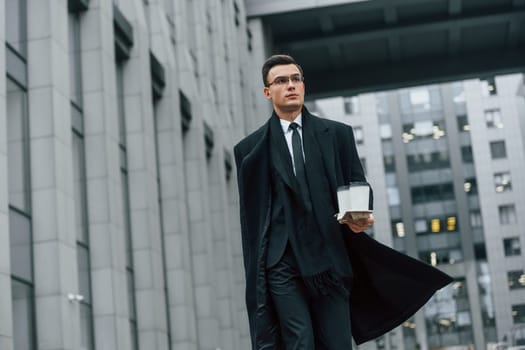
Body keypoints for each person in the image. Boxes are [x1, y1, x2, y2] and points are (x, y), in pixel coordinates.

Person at [234, 54, 452, 350]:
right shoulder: (249, 151)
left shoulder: (336, 134)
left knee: (337, 343)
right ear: (267, 91)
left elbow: (356, 182)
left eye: (296, 79)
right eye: (281, 81)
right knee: (300, 341)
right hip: (280, 262)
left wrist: (362, 213)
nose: (291, 86)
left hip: (329, 258)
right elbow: (252, 221)